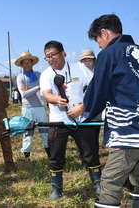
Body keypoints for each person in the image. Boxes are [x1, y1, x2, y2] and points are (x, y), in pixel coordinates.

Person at [79, 14, 139, 208]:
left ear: (104, 33)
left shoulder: (110, 53)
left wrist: (84, 109)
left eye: (98, 40)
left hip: (129, 130)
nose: (99, 45)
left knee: (110, 182)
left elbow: (97, 90)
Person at [39, 40, 101, 200]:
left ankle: (98, 185)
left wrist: (83, 107)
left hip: (81, 119)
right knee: (55, 156)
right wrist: (55, 99)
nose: (51, 59)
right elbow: (46, 93)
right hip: (58, 121)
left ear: (63, 53)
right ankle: (56, 190)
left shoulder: (79, 68)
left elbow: (94, 87)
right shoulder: (46, 74)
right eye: (47, 57)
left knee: (91, 153)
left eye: (53, 55)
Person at [15, 52, 50, 160]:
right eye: (24, 63)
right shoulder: (20, 77)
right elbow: (24, 94)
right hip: (27, 108)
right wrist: (37, 87)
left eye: (28, 62)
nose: (27, 65)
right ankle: (26, 158)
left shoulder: (39, 74)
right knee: (27, 133)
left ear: (32, 63)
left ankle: (50, 155)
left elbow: (45, 87)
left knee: (45, 131)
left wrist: (31, 89)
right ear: (21, 65)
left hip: (40, 107)